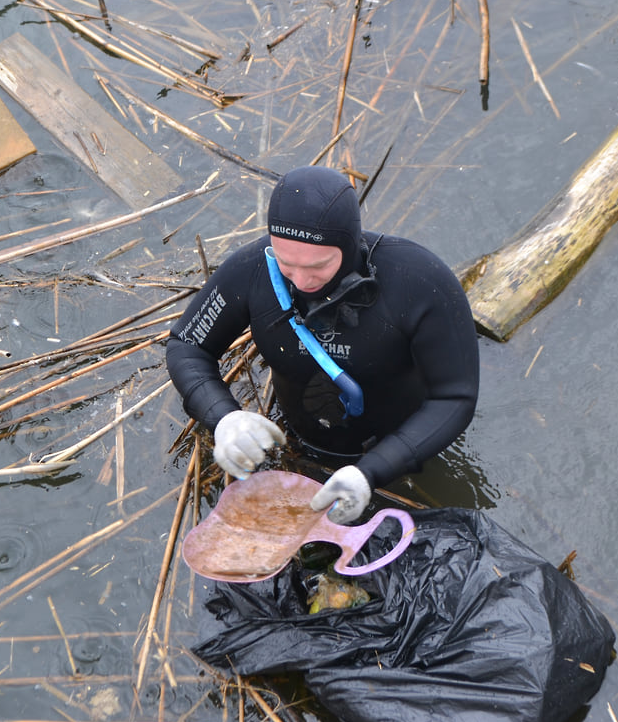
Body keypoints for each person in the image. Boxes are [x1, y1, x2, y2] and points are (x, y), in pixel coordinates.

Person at [166, 166, 479, 524]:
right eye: (285, 263)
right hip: (299, 440)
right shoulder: (251, 269)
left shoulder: (419, 281)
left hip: (403, 449)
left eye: (318, 266)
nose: (300, 281)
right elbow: (186, 345)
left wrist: (372, 472)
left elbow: (455, 397)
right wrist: (224, 418)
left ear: (347, 246)